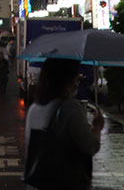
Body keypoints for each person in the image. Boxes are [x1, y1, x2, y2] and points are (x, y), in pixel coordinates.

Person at [23, 57, 103, 189]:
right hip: (65, 182)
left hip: (37, 182)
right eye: (75, 77)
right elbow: (90, 146)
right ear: (66, 80)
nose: (77, 82)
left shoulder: (34, 108)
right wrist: (97, 128)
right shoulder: (69, 108)